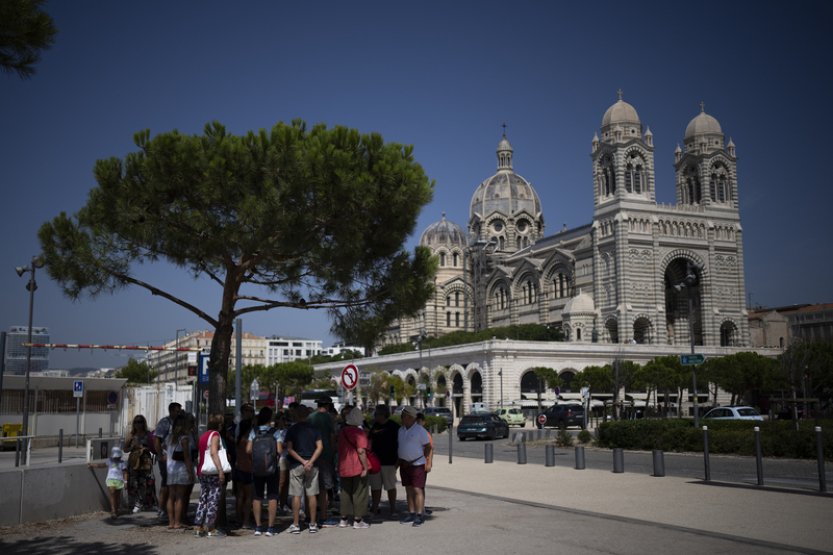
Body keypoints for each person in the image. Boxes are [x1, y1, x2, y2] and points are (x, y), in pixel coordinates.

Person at [285, 404, 323, 534]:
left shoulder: (292, 429)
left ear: (296, 415)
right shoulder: (315, 429)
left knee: (296, 494)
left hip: (297, 464)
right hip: (312, 465)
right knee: (312, 494)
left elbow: (289, 449)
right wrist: (310, 462)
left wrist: (302, 461)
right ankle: (312, 523)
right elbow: (320, 447)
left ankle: (296, 524)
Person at [247, 406, 281, 536]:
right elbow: (279, 450)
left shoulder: (254, 431)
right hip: (272, 468)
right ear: (270, 418)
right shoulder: (275, 432)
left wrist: (255, 458)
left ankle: (258, 527)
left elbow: (248, 449)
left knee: (257, 496)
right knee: (272, 496)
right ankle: (270, 528)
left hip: (257, 467)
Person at [397, 406, 432, 527]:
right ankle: (411, 513)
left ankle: (419, 515)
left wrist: (423, 459)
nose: (402, 418)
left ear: (409, 417)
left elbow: (428, 446)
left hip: (417, 464)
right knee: (408, 490)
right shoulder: (401, 430)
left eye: (403, 416)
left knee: (417, 489)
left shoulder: (420, 430)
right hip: (404, 464)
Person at [336, 406, 370, 529]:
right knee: (359, 493)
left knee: (345, 493)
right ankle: (358, 520)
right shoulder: (359, 433)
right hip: (357, 466)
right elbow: (361, 451)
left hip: (343, 465)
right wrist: (365, 467)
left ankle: (344, 519)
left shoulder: (342, 432)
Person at [194, 413, 227, 537]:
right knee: (213, 499)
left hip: (202, 470)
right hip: (212, 472)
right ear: (219, 425)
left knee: (203, 499)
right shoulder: (215, 435)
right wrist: (220, 470)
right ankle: (210, 527)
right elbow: (214, 452)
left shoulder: (204, 435)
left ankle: (198, 526)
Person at [307, 396, 337, 526]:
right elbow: (332, 436)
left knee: (310, 487)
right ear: (328, 405)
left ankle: (309, 516)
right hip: (325, 455)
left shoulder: (310, 417)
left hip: (311, 455)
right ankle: (323, 516)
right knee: (324, 487)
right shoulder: (329, 418)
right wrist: (333, 451)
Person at [165, 411, 195, 530]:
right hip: (181, 469)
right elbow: (187, 456)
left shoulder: (169, 437)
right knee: (180, 497)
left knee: (171, 496)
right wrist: (190, 471)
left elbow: (164, 450)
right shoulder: (184, 438)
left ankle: (171, 522)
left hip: (170, 469)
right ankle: (177, 522)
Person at [368, 404, 399, 517]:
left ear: (383, 414)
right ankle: (375, 508)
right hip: (375, 462)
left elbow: (399, 444)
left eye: (376, 414)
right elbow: (370, 441)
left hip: (389, 462)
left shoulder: (394, 426)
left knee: (390, 487)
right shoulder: (374, 426)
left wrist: (397, 463)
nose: (375, 416)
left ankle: (393, 509)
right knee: (375, 487)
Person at [153, 401, 182, 522]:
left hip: (176, 458)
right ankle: (161, 509)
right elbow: (156, 439)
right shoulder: (165, 423)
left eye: (180, 411)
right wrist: (160, 455)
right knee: (166, 483)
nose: (179, 413)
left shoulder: (179, 423)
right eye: (177, 411)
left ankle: (170, 510)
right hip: (166, 458)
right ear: (171, 411)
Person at [124, 414, 157, 514]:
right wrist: (132, 447)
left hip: (145, 460)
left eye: (140, 422)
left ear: (144, 423)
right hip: (134, 461)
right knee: (134, 482)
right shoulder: (131, 435)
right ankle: (136, 503)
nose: (138, 424)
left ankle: (147, 503)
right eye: (136, 422)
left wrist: (146, 448)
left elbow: (154, 447)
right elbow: (125, 449)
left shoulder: (148, 434)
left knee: (147, 482)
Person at [89, 446, 128, 519]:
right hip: (110, 479)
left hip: (119, 481)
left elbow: (125, 473)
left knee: (117, 496)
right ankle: (113, 510)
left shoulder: (122, 463)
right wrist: (92, 465)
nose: (116, 458)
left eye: (117, 457)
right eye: (115, 457)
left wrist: (126, 482)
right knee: (112, 492)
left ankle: (116, 509)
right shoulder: (109, 461)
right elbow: (102, 465)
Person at [233, 416, 254, 529]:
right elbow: (250, 455)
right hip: (247, 469)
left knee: (240, 496)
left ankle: (238, 519)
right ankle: (245, 521)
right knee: (248, 497)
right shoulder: (247, 441)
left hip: (238, 468)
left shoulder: (238, 439)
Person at [416, 412, 434, 516]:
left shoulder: (426, 434)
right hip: (414, 464)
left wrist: (429, 463)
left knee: (420, 487)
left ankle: (421, 509)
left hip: (423, 464)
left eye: (419, 421)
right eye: (416, 421)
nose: (417, 423)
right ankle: (417, 508)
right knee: (415, 487)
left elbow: (430, 449)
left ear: (423, 422)